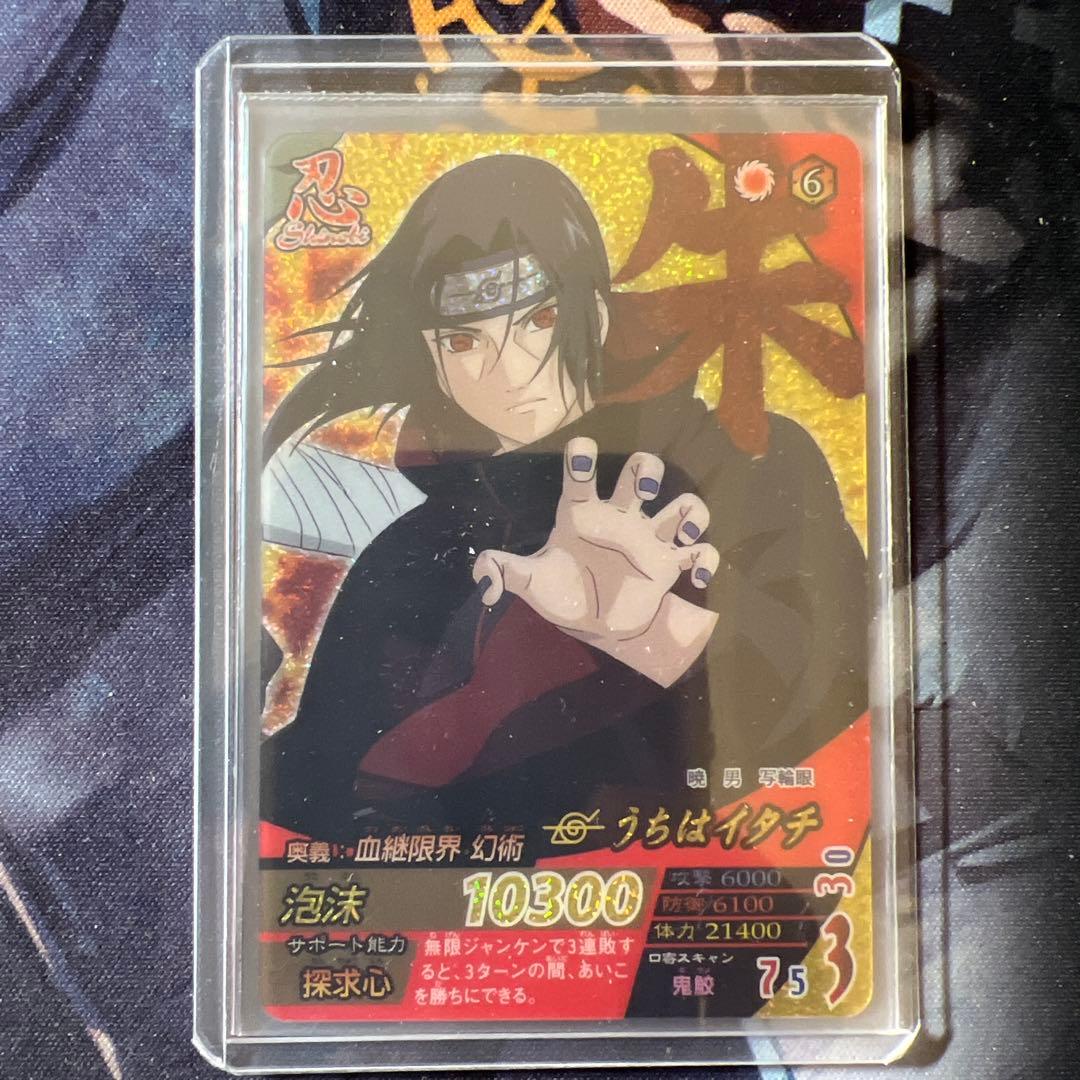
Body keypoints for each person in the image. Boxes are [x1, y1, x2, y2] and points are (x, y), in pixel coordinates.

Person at [260, 153, 867, 847]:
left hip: (698, 883)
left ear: (596, 315)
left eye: (540, 319)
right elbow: (320, 787)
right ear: (433, 357)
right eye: (464, 340)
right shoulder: (412, 551)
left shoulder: (742, 461)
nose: (510, 371)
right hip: (469, 904)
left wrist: (664, 638)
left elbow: (845, 690)